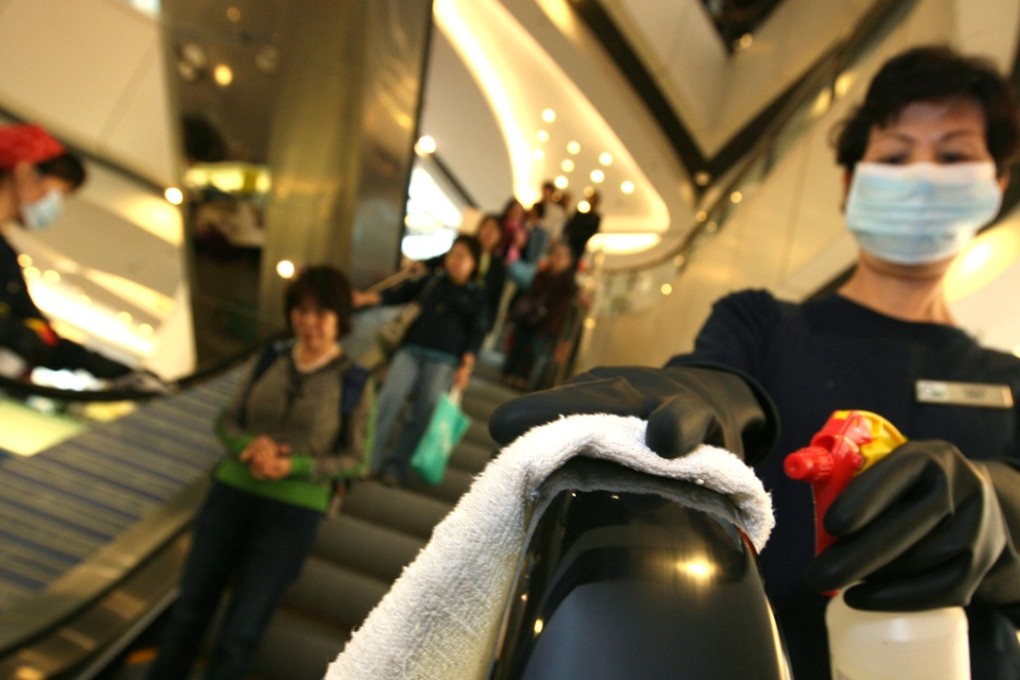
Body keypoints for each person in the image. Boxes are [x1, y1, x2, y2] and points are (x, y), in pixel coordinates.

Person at [489, 46, 1020, 678]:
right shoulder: (761, 324)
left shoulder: (1007, 378)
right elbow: (718, 380)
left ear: (998, 184)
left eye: (954, 154)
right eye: (897, 155)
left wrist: (998, 510)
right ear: (852, 183)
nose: (925, 174)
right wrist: (699, 394)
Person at [147, 265, 373, 680]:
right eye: (301, 311)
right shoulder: (269, 358)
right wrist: (247, 445)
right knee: (189, 610)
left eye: (321, 312)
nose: (308, 322)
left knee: (241, 631)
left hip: (292, 515)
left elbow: (356, 458)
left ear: (339, 318)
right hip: (231, 495)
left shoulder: (354, 380)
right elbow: (227, 420)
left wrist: (295, 465)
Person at [0, 123, 165, 389]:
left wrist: (119, 372)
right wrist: (18, 337)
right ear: (25, 172)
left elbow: (46, 339)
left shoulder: (7, 261)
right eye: (60, 193)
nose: (56, 205)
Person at [354, 234, 487, 484]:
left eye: (463, 257)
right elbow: (398, 294)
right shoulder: (433, 282)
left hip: (444, 360)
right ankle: (368, 461)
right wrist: (365, 298)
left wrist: (465, 368)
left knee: (422, 412)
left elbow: (476, 335)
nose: (455, 261)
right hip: (411, 350)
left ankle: (396, 466)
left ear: (475, 263)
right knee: (388, 400)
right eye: (453, 254)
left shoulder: (476, 296)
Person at [502, 240, 578, 390]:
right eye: (556, 254)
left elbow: (568, 310)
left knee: (535, 353)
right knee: (519, 346)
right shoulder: (541, 275)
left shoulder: (569, 284)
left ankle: (525, 380)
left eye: (562, 256)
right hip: (529, 319)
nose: (558, 258)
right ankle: (510, 374)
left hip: (548, 325)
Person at [562, 189, 601, 269]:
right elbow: (572, 223)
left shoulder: (595, 217)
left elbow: (593, 231)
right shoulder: (580, 211)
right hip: (572, 240)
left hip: (582, 244)